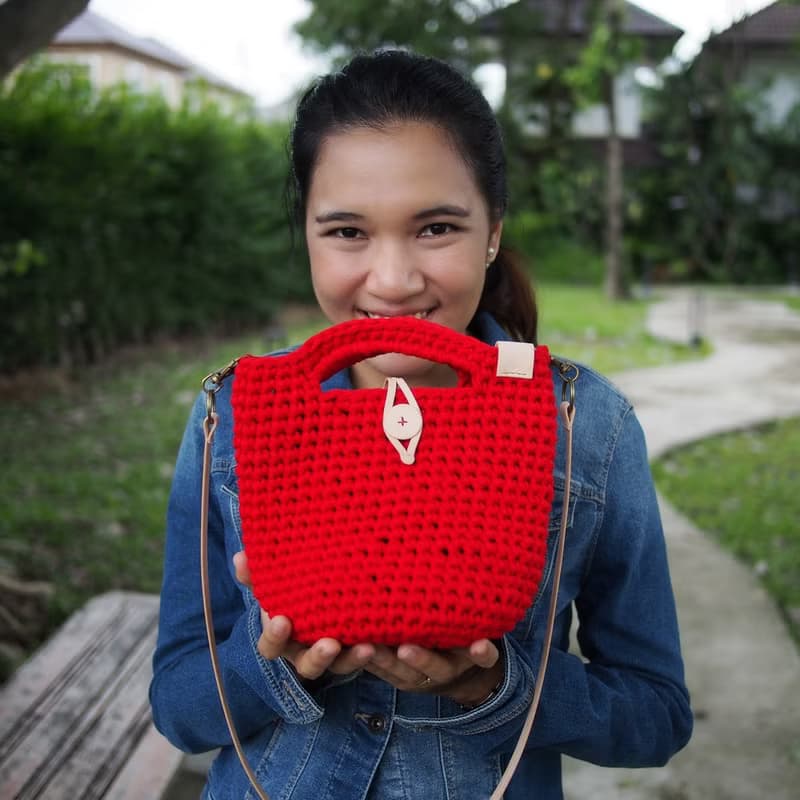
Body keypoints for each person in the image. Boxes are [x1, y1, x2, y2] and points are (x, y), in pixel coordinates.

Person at [150, 49, 692, 800]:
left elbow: (657, 717)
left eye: (436, 227)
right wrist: (272, 662)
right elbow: (178, 707)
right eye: (347, 232)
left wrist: (497, 687)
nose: (395, 281)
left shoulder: (583, 426)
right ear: (305, 232)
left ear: (493, 231)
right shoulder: (234, 416)